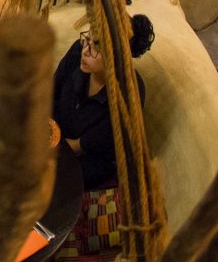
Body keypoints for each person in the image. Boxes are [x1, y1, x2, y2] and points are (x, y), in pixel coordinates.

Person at [53, 15, 155, 190]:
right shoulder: (79, 52)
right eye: (87, 39)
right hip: (56, 133)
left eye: (96, 47)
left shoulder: (129, 94)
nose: (86, 50)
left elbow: (81, 146)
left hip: (87, 158)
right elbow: (51, 91)